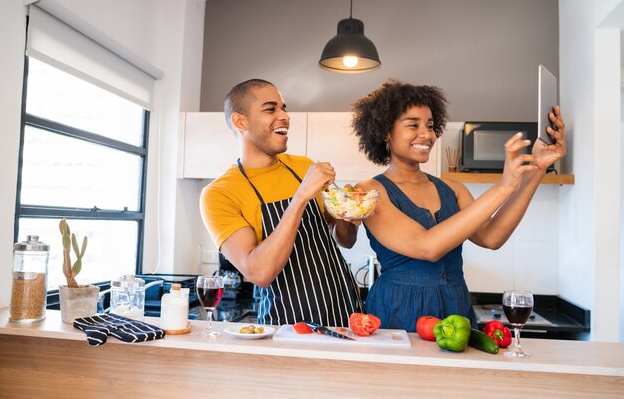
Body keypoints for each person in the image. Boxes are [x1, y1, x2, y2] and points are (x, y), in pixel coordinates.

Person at [351, 79, 567, 332]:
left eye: (430, 126)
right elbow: (427, 247)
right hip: (398, 308)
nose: (426, 134)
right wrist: (504, 185)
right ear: (385, 132)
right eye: (413, 125)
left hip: (455, 305)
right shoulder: (368, 191)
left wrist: (538, 169)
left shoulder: (452, 189)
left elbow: (492, 237)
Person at [200, 79, 362, 326]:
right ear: (240, 121)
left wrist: (348, 217)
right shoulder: (219, 193)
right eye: (270, 109)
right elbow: (260, 273)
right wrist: (301, 197)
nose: (284, 116)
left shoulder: (303, 166)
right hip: (287, 325)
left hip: (346, 312)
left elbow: (345, 241)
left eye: (284, 108)